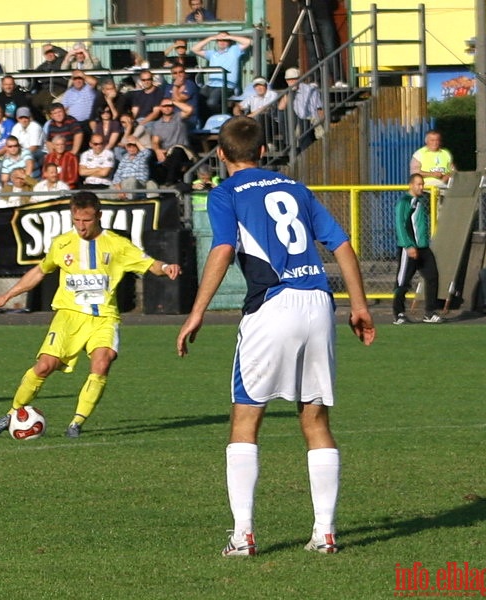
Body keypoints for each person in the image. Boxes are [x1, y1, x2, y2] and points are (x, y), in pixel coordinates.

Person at [175, 116, 376, 557]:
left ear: (222, 155)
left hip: (272, 305)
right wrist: (359, 306)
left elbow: (224, 249)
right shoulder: (296, 189)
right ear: (264, 152)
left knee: (246, 419)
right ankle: (324, 533)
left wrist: (196, 312)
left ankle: (243, 535)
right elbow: (341, 244)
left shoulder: (224, 192)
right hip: (319, 302)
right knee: (315, 419)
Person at [0, 192, 182, 438]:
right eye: (76, 220)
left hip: (104, 318)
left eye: (86, 220)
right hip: (69, 316)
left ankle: (75, 424)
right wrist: (7, 296)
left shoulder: (117, 244)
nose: (81, 226)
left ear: (98, 215)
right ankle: (13, 413)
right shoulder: (62, 243)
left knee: (103, 361)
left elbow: (149, 264)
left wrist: (165, 267)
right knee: (45, 366)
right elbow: (39, 271)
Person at [392, 174, 441, 324]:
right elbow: (400, 225)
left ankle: (430, 312)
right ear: (411, 185)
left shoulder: (420, 201)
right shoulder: (404, 202)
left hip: (423, 248)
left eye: (422, 184)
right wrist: (408, 245)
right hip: (410, 248)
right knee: (403, 281)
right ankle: (399, 312)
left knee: (432, 276)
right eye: (418, 184)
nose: (421, 187)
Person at [191, 32, 252, 116]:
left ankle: (223, 117)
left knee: (211, 102)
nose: (222, 42)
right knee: (198, 100)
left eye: (225, 40)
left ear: (229, 41)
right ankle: (204, 122)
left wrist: (230, 36)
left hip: (226, 85)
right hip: (210, 84)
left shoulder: (234, 50)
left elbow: (248, 42)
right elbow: (194, 49)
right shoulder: (212, 53)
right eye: (219, 40)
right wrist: (210, 38)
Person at [277, 68, 323, 152]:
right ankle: (289, 143)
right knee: (281, 115)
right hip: (294, 119)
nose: (291, 82)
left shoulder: (309, 90)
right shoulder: (288, 91)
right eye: (288, 80)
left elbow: (318, 108)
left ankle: (301, 151)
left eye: (293, 79)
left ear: (299, 79)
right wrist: (288, 93)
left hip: (308, 118)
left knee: (303, 128)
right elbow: (280, 108)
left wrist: (320, 121)